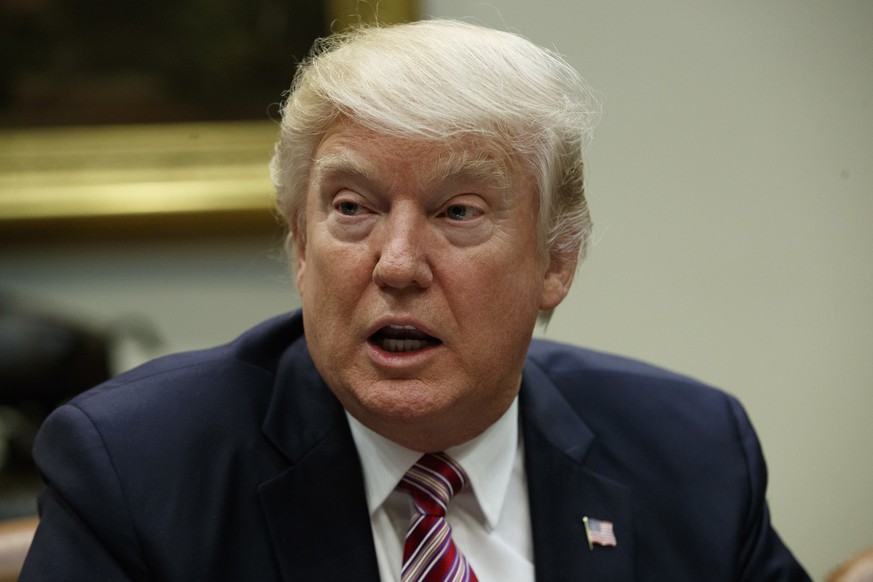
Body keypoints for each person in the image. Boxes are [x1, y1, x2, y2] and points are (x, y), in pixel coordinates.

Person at [20, 19, 809, 581]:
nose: (396, 264)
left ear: (556, 261)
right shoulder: (134, 467)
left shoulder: (692, 454)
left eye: (457, 211)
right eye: (351, 209)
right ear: (300, 247)